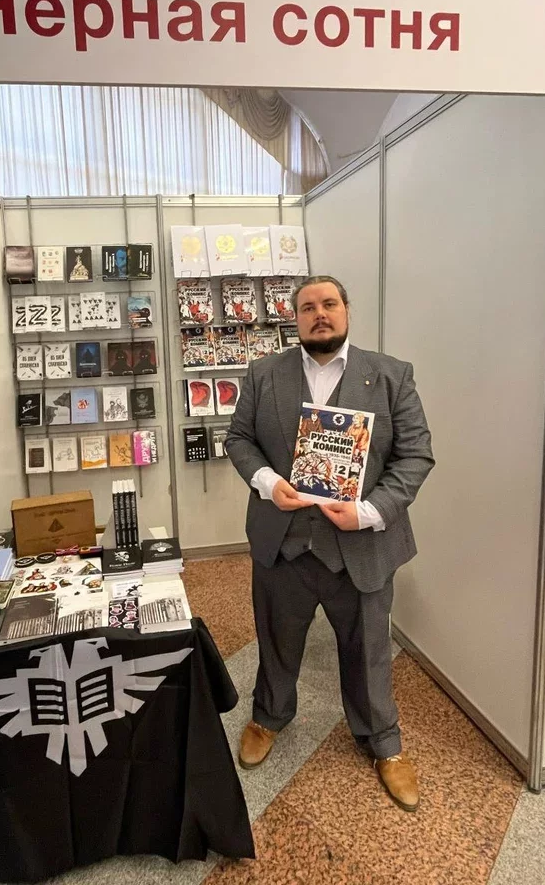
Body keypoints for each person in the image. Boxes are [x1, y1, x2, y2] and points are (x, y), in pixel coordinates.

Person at [225, 275, 434, 812]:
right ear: (294, 317)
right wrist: (268, 482)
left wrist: (368, 511)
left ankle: (382, 740)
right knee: (276, 638)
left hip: (360, 546)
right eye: (307, 307)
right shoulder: (263, 374)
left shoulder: (390, 375)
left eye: (329, 304)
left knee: (369, 649)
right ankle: (269, 716)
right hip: (284, 543)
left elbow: (415, 455)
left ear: (346, 310)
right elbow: (239, 440)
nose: (320, 314)